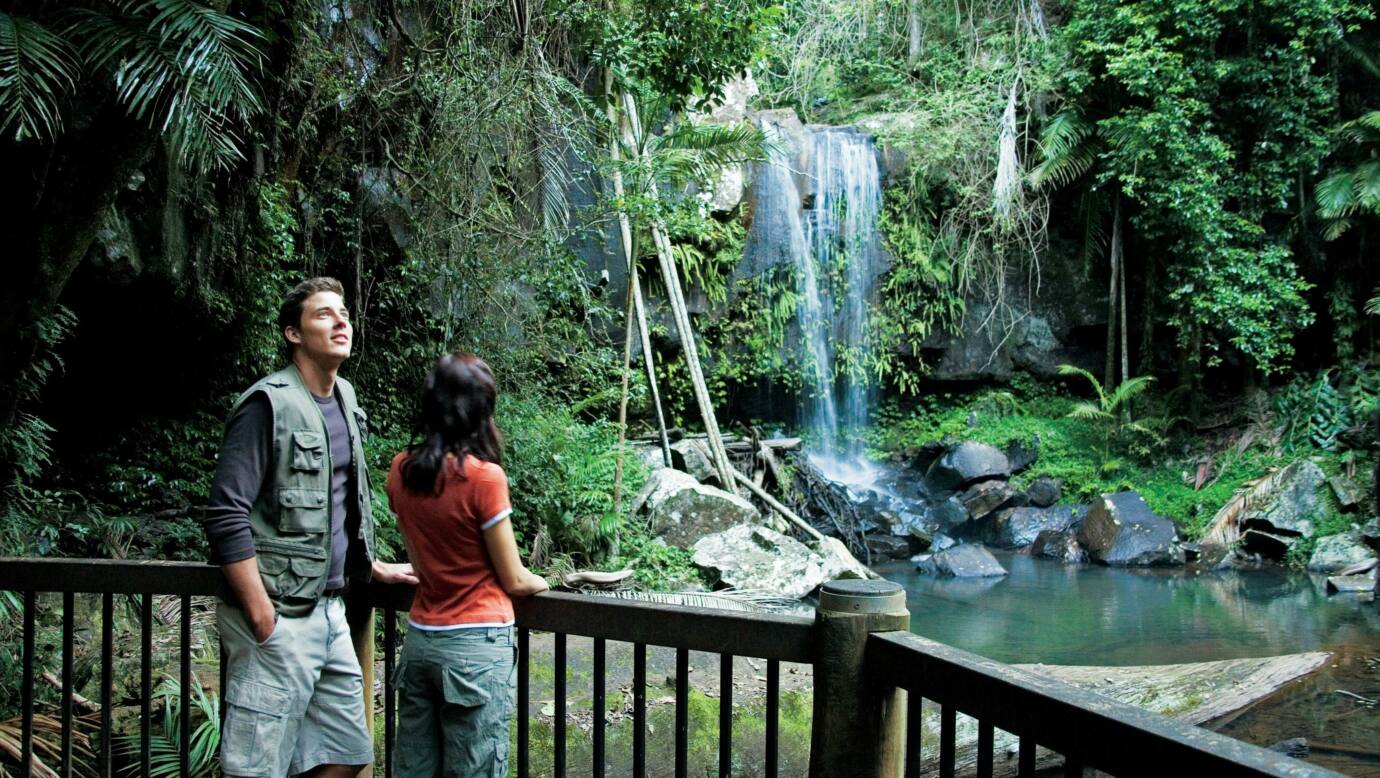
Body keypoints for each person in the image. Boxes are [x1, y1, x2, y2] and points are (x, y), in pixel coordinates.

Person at [203, 276, 418, 777]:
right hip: (277, 618)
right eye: (323, 314)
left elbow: (337, 504)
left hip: (331, 612)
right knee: (257, 768)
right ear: (293, 334)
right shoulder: (267, 404)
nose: (340, 321)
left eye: (343, 313)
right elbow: (226, 513)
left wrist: (370, 565)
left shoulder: (344, 396)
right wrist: (261, 618)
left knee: (348, 755)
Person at [387, 353, 549, 778]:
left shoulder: (400, 469)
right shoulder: (484, 478)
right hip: (475, 648)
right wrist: (544, 581)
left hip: (421, 640)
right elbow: (514, 577)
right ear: (481, 411)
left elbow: (421, 566)